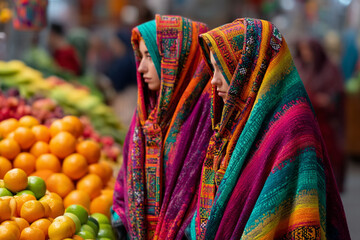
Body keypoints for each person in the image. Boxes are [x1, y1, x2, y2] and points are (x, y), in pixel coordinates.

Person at [188, 18, 350, 239]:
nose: (214, 81)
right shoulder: (237, 119)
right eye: (213, 69)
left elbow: (297, 216)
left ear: (249, 68)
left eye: (222, 68)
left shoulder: (292, 128)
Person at [112, 15, 213, 239]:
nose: (140, 68)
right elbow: (124, 181)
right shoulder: (147, 113)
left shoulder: (209, 117)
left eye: (150, 57)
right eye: (140, 56)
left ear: (177, 58)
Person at [294, 38, 346, 192]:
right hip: (304, 122)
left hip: (325, 123)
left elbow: (337, 95)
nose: (305, 54)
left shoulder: (329, 69)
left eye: (308, 50)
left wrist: (327, 100)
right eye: (303, 50)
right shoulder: (298, 66)